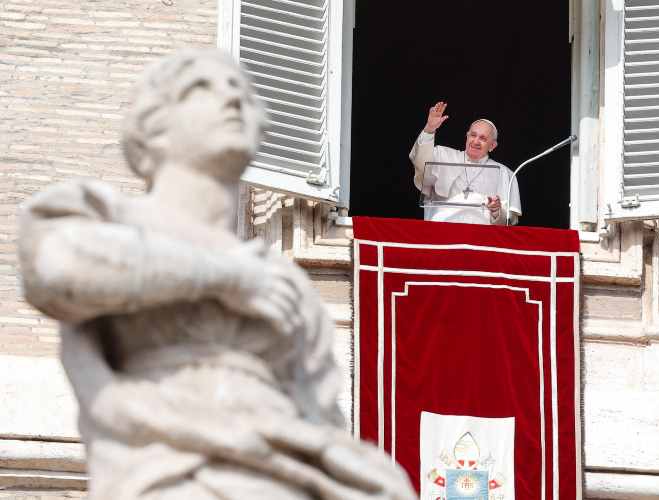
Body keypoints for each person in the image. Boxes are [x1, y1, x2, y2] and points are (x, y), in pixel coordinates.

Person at [18, 49, 415, 500]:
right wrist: (224, 276)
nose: (231, 99)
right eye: (201, 88)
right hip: (168, 458)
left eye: (241, 93)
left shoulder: (288, 284)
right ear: (153, 126)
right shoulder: (103, 217)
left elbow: (318, 411)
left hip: (282, 461)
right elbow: (57, 267)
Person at [409, 101, 522, 225]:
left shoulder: (504, 173)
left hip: (481, 238)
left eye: (483, 138)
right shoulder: (443, 155)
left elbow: (509, 222)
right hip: (442, 232)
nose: (476, 141)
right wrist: (429, 129)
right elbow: (420, 164)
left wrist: (497, 212)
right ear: (467, 136)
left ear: (492, 146)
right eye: (473, 135)